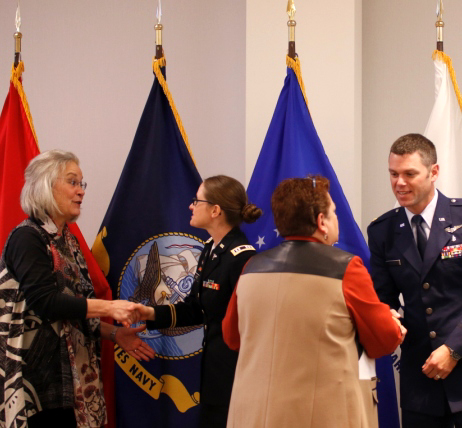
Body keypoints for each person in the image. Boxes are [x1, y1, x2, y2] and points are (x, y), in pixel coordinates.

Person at [222, 175, 405, 428]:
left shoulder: (251, 267)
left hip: (254, 415)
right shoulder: (347, 269)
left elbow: (232, 336)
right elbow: (382, 340)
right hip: (324, 415)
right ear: (322, 222)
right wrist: (392, 324)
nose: (336, 218)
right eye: (334, 212)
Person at [367, 134, 462, 428]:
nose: (399, 183)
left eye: (410, 174)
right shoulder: (383, 230)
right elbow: (383, 298)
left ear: (433, 172)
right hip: (420, 378)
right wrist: (387, 318)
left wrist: (454, 350)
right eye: (393, 174)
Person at [0, 150, 153, 428]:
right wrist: (111, 308)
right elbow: (47, 302)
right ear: (46, 185)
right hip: (38, 382)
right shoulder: (27, 237)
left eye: (82, 184)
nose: (81, 191)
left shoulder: (67, 240)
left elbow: (74, 311)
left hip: (73, 381)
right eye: (72, 182)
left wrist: (114, 333)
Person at [138, 175, 261, 428]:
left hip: (235, 375)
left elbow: (250, 326)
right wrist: (148, 313)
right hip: (214, 374)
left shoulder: (241, 258)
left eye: (197, 201)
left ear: (215, 210)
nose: (191, 206)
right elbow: (196, 309)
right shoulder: (210, 249)